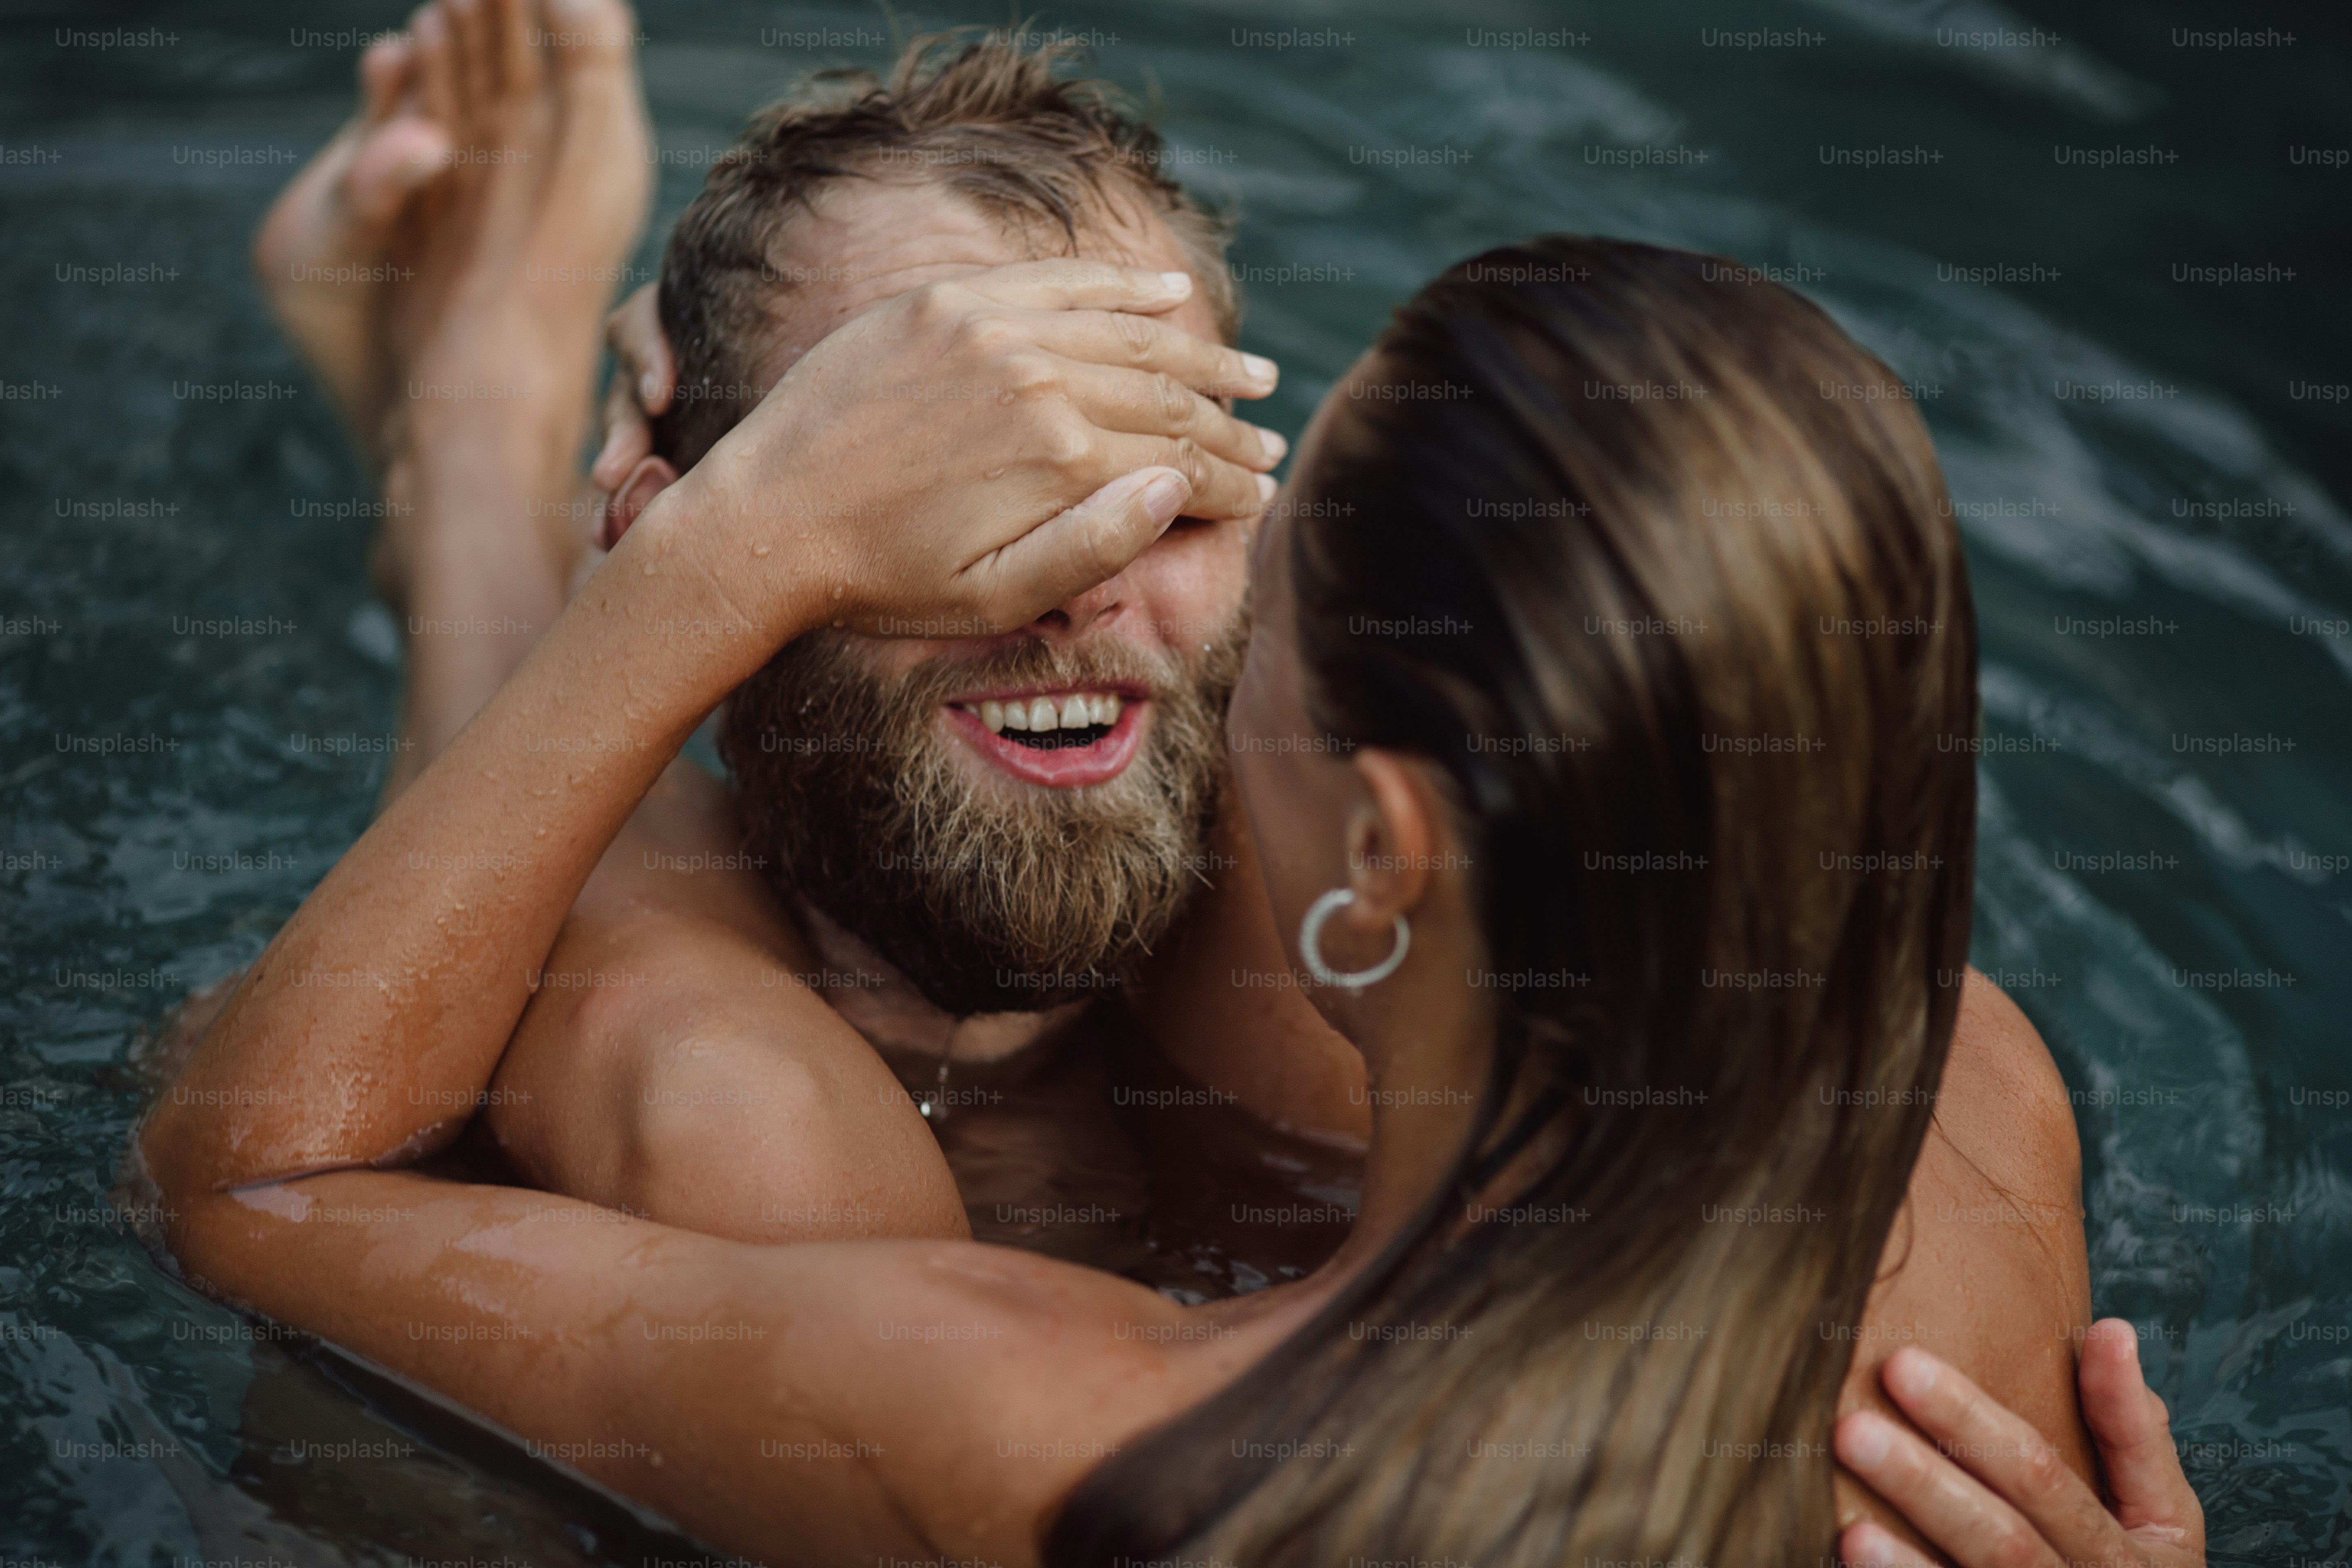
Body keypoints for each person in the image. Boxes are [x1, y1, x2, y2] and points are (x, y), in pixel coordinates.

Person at [147, 167, 2205, 1564]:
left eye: (1220, 534)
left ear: (1384, 857)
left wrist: (719, 561)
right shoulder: (1985, 1125)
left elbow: (262, 1176)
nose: (1097, 590)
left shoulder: (1053, 1438)